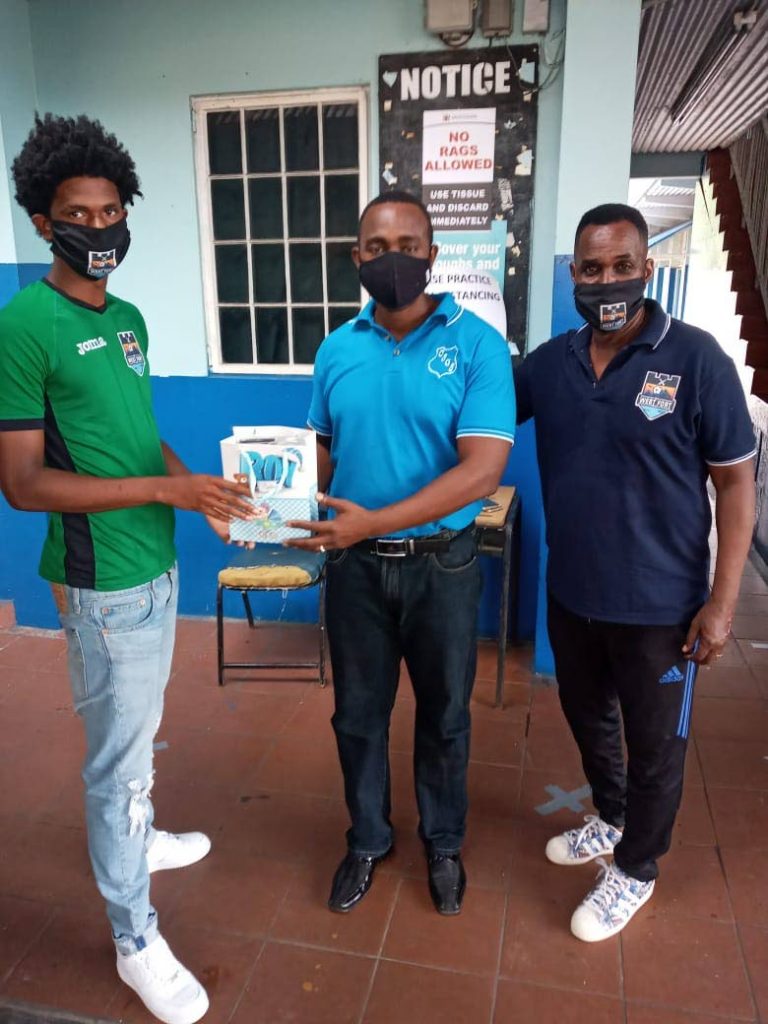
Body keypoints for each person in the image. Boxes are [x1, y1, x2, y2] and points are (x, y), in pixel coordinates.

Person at [0, 114, 252, 1024]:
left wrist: (200, 491)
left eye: (112, 211)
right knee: (116, 764)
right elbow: (24, 484)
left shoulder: (131, 318)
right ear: (42, 221)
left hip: (156, 563)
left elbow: (139, 441)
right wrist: (165, 491)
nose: (99, 229)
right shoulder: (25, 325)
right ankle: (134, 936)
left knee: (136, 740)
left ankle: (137, 842)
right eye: (78, 212)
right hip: (102, 580)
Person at [515, 202, 756, 942]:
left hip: (662, 608)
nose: (607, 280)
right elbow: (474, 413)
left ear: (648, 269)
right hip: (575, 596)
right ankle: (612, 817)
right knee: (589, 721)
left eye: (623, 266)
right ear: (574, 274)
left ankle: (638, 869)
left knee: (657, 747)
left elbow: (737, 484)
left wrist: (721, 606)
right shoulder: (551, 365)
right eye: (592, 268)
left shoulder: (697, 359)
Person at [286, 191, 516, 916]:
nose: (395, 260)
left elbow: (480, 472)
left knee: (445, 715)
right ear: (357, 259)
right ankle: (369, 838)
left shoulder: (476, 344)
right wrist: (268, 502)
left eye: (410, 245)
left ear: (433, 256)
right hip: (353, 572)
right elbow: (321, 454)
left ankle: (443, 843)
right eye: (378, 247)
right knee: (357, 716)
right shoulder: (335, 348)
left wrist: (371, 520)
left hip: (442, 567)